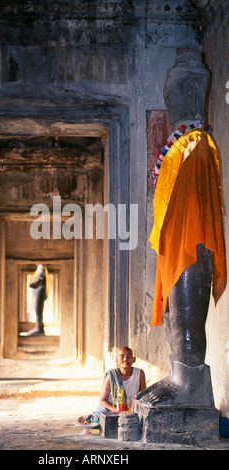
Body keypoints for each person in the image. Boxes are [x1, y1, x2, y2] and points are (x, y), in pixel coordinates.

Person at [135, 50, 226, 408]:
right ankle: (179, 376)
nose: (170, 104)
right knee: (174, 309)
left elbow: (197, 209)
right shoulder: (180, 148)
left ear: (191, 90)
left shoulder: (197, 146)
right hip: (176, 241)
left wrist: (181, 243)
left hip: (191, 240)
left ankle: (190, 383)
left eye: (173, 94)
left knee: (186, 304)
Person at [77, 347, 146, 424]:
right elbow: (102, 400)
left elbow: (142, 397)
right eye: (122, 356)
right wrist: (117, 410)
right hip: (113, 409)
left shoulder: (139, 373)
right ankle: (89, 417)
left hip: (132, 410)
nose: (125, 359)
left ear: (134, 359)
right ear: (117, 360)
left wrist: (133, 410)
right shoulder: (111, 376)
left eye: (129, 356)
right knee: (98, 420)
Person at [27, 264, 48, 336]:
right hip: (38, 292)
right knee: (38, 311)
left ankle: (39, 329)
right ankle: (40, 328)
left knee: (38, 311)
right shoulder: (41, 269)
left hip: (40, 292)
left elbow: (38, 281)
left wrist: (31, 284)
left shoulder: (41, 269)